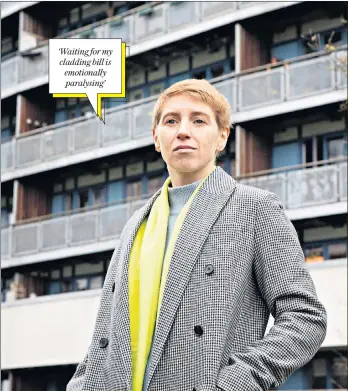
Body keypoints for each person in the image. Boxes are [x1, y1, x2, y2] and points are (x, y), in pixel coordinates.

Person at [66, 79, 327, 391]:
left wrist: (236, 382)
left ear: (221, 136)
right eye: (171, 120)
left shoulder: (254, 209)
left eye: (199, 120)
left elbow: (305, 317)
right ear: (156, 138)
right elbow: (106, 335)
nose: (183, 131)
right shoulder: (136, 224)